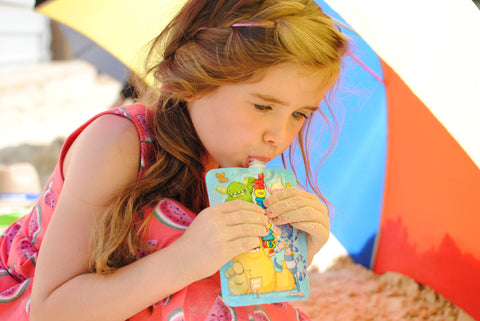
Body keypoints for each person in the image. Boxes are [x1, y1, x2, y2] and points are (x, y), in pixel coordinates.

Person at [0, 0, 348, 320]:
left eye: (300, 114)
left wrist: (289, 257)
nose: (279, 135)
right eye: (263, 106)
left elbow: (235, 295)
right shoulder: (116, 143)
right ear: (194, 80)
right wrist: (186, 260)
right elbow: (50, 310)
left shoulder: (235, 160)